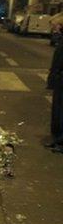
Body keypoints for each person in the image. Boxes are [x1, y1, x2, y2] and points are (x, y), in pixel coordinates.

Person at [47, 21, 63, 153]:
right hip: (59, 78)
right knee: (57, 111)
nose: (55, 27)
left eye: (58, 25)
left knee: (61, 112)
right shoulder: (60, 39)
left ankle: (61, 141)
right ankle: (57, 138)